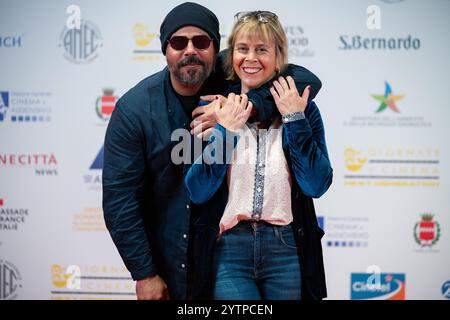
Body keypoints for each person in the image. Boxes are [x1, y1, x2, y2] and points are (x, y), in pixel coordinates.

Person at [103, 3, 322, 300]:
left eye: (202, 42)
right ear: (165, 49)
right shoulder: (134, 110)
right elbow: (122, 201)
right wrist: (144, 273)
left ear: (217, 51)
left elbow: (308, 80)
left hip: (259, 246)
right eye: (178, 42)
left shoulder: (234, 83)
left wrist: (251, 109)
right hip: (186, 249)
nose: (190, 50)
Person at [185, 11, 333, 300]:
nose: (250, 57)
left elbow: (316, 184)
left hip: (288, 248)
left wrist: (294, 117)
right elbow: (197, 190)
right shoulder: (216, 109)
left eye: (262, 49)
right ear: (231, 58)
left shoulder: (305, 109)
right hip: (229, 248)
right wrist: (226, 130)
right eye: (242, 49)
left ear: (279, 59)